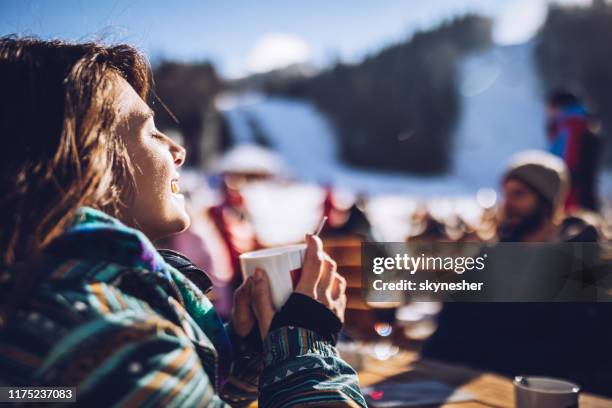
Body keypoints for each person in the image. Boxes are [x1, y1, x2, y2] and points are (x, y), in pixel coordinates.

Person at [0, 37, 366, 407]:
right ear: (80, 157)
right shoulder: (109, 338)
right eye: (150, 131)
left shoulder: (39, 296)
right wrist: (306, 353)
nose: (178, 151)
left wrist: (248, 358)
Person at [422, 150, 612, 396]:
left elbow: (590, 350)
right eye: (506, 194)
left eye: (519, 194)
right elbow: (450, 328)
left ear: (546, 202)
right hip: (476, 389)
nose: (508, 205)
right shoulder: (490, 259)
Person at [546, 89, 601, 212]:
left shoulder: (572, 125)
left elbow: (568, 166)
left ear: (558, 105)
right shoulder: (584, 122)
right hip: (584, 195)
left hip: (573, 201)